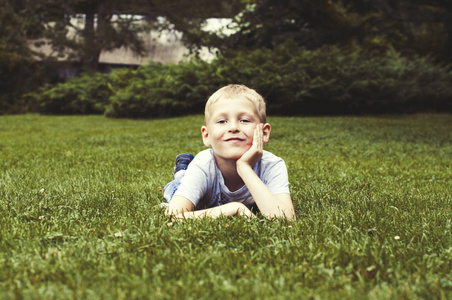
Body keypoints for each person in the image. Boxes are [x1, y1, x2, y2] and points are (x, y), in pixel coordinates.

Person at [163, 84, 296, 220]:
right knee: (176, 187)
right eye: (222, 121)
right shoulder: (203, 165)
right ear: (206, 135)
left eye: (244, 120)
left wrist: (244, 167)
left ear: (264, 132)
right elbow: (173, 216)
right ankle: (181, 171)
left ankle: (183, 169)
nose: (233, 127)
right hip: (193, 176)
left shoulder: (272, 165)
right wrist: (234, 207)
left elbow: (286, 219)